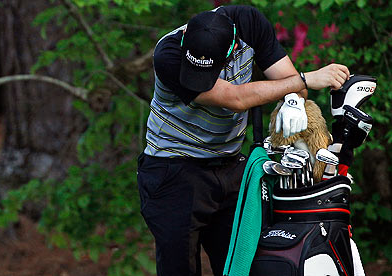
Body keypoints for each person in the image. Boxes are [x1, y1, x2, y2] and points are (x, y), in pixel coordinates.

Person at [137, 5, 350, 276]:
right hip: (173, 169)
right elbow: (235, 99)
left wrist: (294, 99)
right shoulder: (168, 54)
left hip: (230, 169)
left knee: (242, 266)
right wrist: (306, 79)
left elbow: (292, 84)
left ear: (231, 49)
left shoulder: (249, 24)